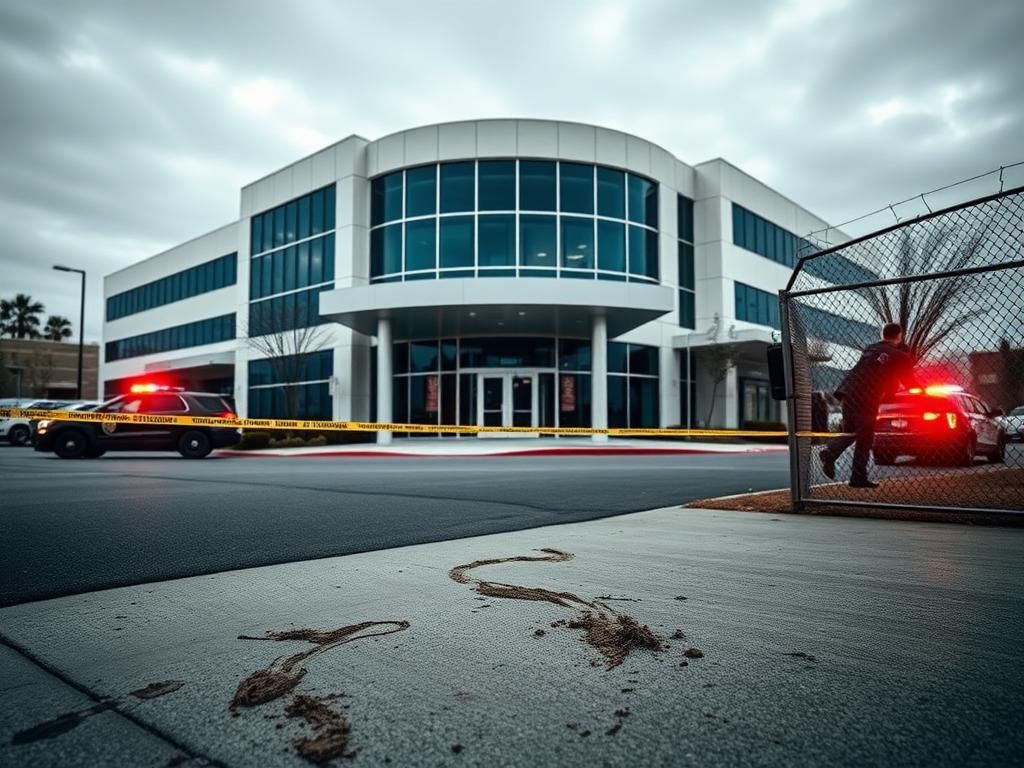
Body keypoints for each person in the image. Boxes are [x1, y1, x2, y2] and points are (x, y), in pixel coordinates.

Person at [819, 323, 919, 488]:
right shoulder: (900, 356)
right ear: (899, 335)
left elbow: (881, 373)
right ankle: (857, 476)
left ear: (882, 334)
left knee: (850, 432)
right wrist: (923, 391)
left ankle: (830, 452)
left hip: (848, 391)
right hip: (867, 396)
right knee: (865, 437)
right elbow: (909, 382)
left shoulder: (870, 349)